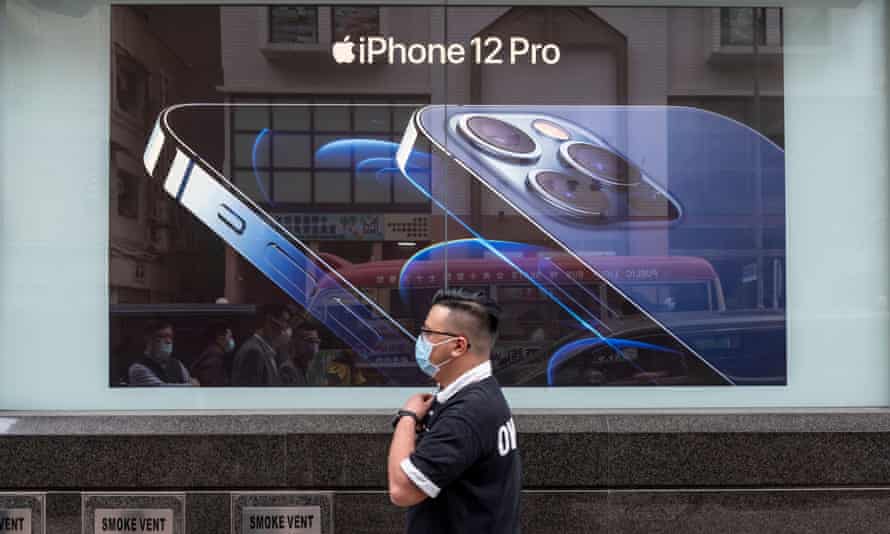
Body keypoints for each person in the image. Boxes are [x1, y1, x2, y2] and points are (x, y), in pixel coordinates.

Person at [387, 288, 521, 534]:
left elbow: (401, 490)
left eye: (428, 333)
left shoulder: (466, 414)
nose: (421, 341)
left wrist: (407, 417)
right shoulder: (484, 393)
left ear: (458, 346)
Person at [231, 304, 292, 386]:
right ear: (269, 321)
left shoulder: (265, 350)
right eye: (284, 321)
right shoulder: (254, 351)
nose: (285, 329)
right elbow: (250, 394)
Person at [128, 320, 198, 386]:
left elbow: (192, 390)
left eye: (170, 337)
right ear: (149, 339)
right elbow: (162, 391)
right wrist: (190, 385)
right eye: (162, 336)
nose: (168, 341)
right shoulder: (138, 368)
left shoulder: (177, 364)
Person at [190, 321, 235, 387]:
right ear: (221, 337)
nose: (232, 340)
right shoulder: (214, 357)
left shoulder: (213, 353)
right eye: (230, 337)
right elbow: (213, 384)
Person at [279, 320, 323, 386]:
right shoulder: (287, 370)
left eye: (316, 341)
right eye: (309, 341)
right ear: (296, 342)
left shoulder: (314, 371)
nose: (314, 345)